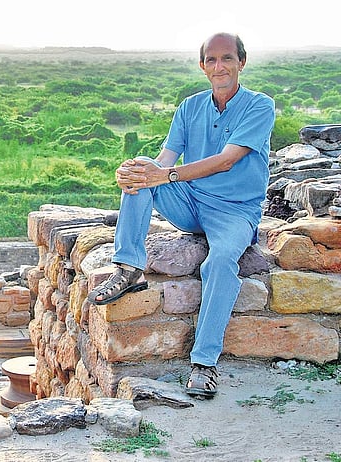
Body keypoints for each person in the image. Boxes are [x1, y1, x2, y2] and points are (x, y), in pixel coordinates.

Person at [87, 32, 275, 397]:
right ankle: (128, 268)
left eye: (227, 58)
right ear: (203, 65)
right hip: (191, 201)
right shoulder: (190, 107)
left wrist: (165, 175)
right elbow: (164, 161)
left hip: (234, 211)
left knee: (220, 261)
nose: (219, 66)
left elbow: (227, 160)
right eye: (211, 59)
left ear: (241, 62)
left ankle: (204, 363)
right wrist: (132, 174)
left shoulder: (259, 106)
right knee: (142, 166)